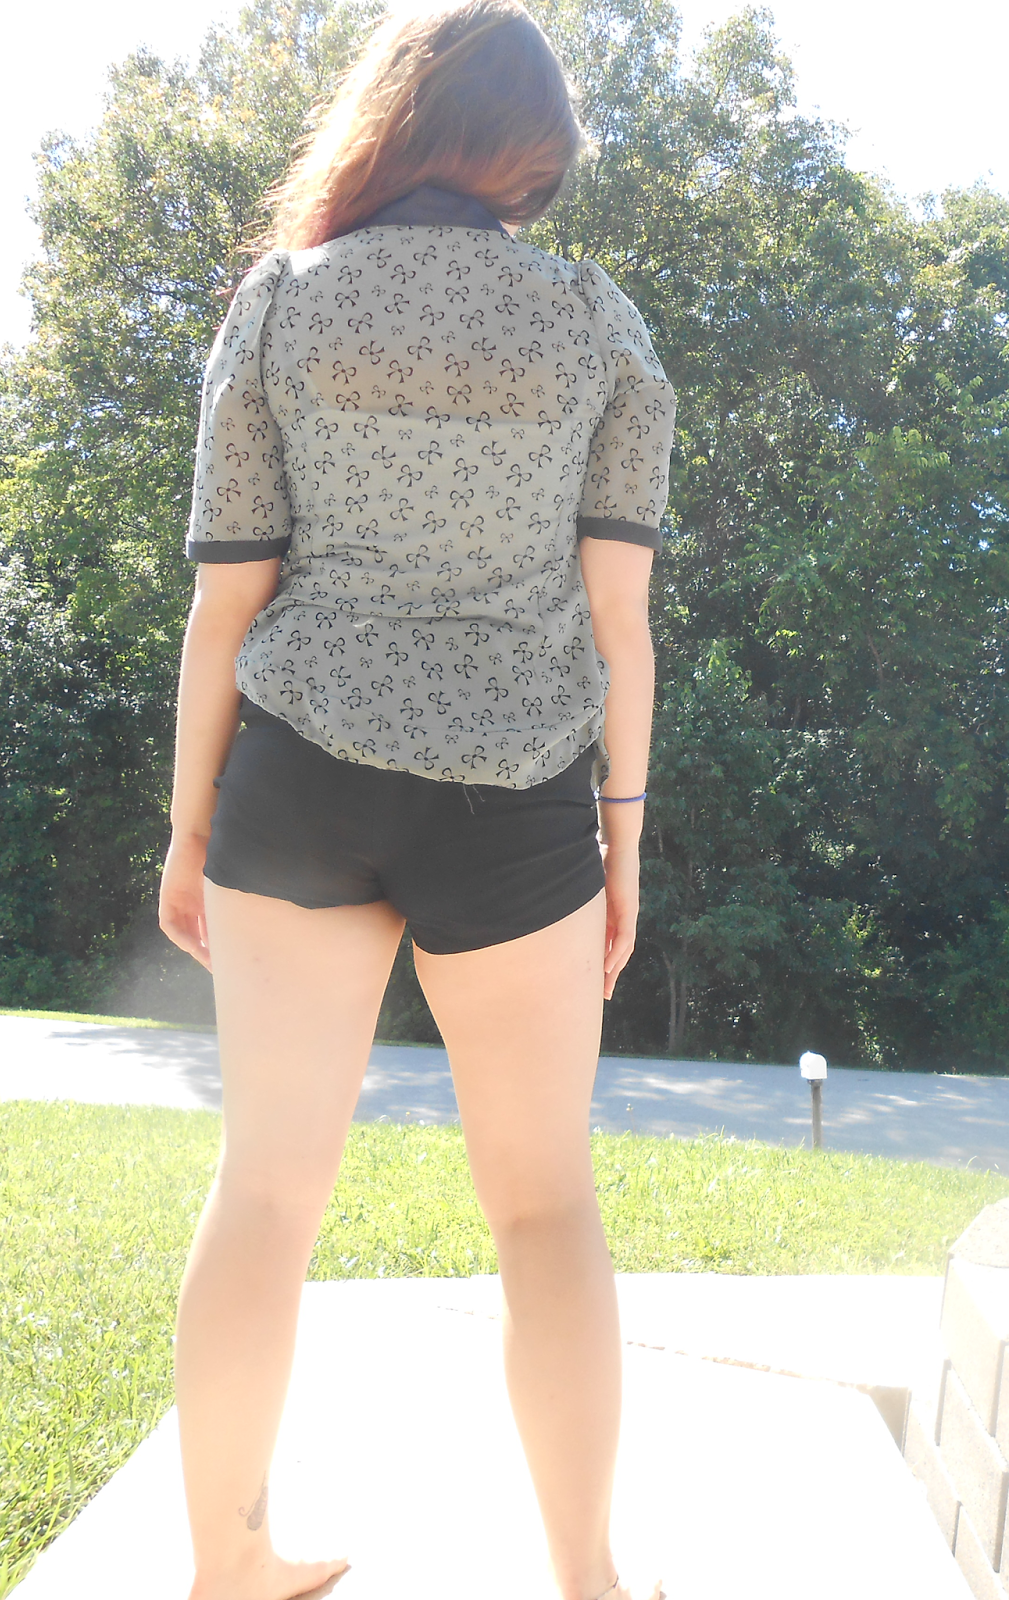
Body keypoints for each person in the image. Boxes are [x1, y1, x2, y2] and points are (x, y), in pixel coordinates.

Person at [158, 3, 676, 1597]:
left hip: (299, 778)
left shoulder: (282, 302)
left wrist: (187, 828)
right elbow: (621, 627)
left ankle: (226, 1569)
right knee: (545, 1208)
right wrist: (623, 839)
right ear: (536, 150)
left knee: (263, 1192)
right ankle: (589, 1581)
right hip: (517, 805)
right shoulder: (595, 322)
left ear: (389, 122)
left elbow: (227, 606)